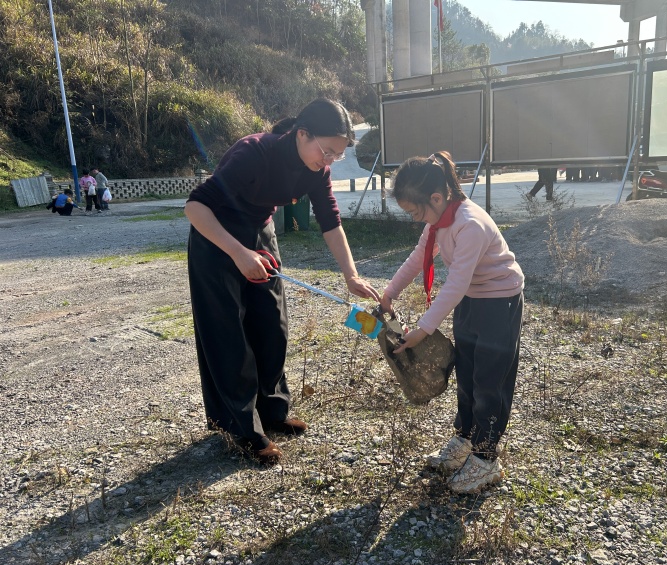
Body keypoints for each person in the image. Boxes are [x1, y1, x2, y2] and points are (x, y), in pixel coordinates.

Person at [184, 98, 380, 466]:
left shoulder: (316, 170)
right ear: (302, 134)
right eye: (327, 151)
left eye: (338, 155)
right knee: (228, 333)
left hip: (260, 231)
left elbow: (330, 220)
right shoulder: (253, 152)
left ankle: (273, 411)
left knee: (273, 325)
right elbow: (195, 207)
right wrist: (238, 253)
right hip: (218, 238)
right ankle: (242, 429)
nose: (330, 161)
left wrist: (350, 274)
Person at [381, 151, 525, 494]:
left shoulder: (470, 224)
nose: (417, 220)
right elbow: (419, 257)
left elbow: (456, 282)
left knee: (490, 380)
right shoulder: (438, 222)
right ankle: (465, 438)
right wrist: (390, 293)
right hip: (472, 301)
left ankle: (486, 458)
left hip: (498, 303)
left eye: (416, 212)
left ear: (436, 197)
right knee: (467, 370)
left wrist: (423, 329)